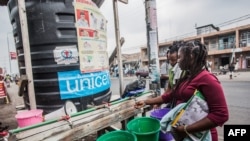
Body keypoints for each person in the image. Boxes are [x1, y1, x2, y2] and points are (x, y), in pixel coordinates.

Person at [135, 40, 229, 141]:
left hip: (201, 136)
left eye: (180, 57)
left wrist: (186, 129)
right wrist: (145, 102)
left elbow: (221, 114)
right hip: (186, 134)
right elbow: (169, 96)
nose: (178, 61)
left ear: (191, 56)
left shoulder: (208, 79)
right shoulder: (188, 77)